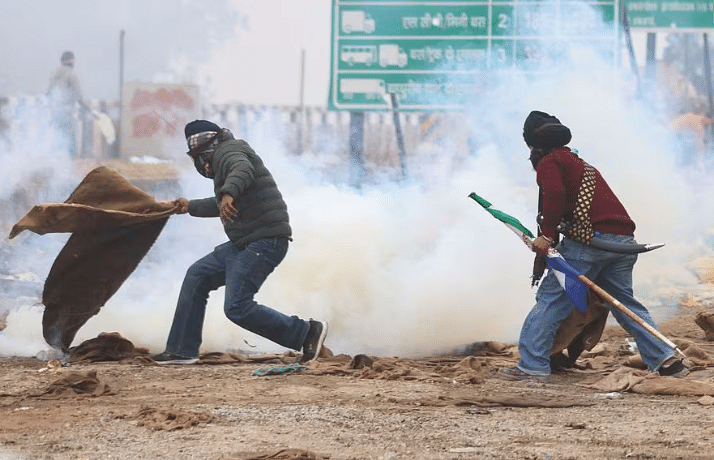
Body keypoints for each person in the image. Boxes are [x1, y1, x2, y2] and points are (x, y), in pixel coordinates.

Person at [498, 110, 688, 380]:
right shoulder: (578, 162)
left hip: (591, 243)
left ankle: (532, 366)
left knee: (552, 299)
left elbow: (554, 195)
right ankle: (667, 360)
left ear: (534, 145)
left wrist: (547, 237)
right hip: (623, 243)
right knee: (626, 305)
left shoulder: (550, 162)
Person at [152, 120, 328, 364]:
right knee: (197, 276)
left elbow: (242, 169)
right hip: (244, 243)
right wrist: (189, 206)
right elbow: (225, 204)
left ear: (203, 150)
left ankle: (306, 333)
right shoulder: (225, 159)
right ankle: (181, 350)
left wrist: (228, 193)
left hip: (264, 242)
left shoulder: (229, 151)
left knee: (237, 307)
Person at [47, 51, 84, 158]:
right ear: (72, 61)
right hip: (67, 113)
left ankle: (56, 159)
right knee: (70, 138)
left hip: (55, 112)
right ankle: (71, 160)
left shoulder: (54, 73)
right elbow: (78, 94)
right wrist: (81, 101)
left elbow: (49, 93)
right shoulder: (71, 73)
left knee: (57, 136)